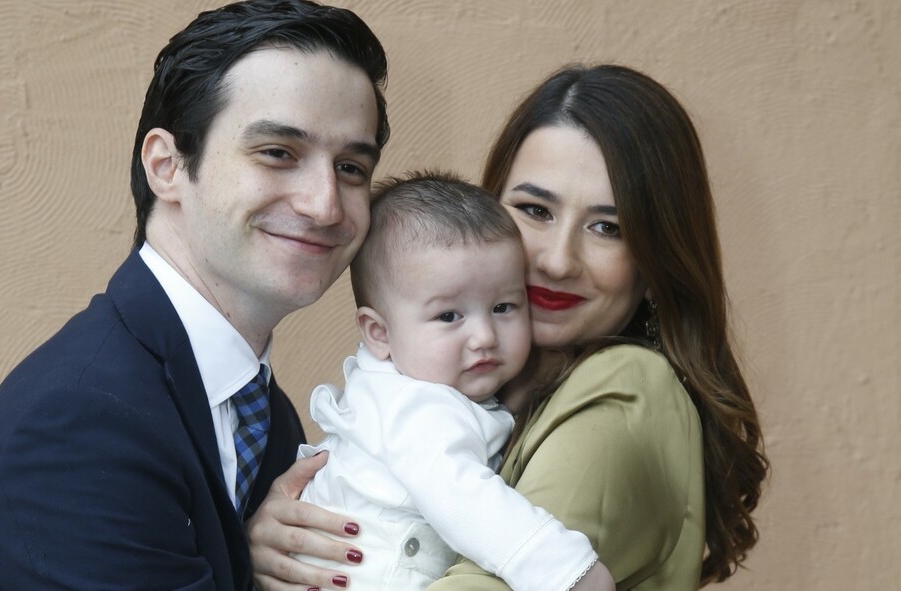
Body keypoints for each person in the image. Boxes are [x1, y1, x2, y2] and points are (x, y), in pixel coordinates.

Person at [249, 63, 768, 590]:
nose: (557, 260)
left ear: (656, 261)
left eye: (607, 227)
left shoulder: (625, 387)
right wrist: (281, 541)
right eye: (534, 210)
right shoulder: (469, 390)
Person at [0, 1, 388, 589]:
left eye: (352, 167)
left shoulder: (262, 410)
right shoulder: (81, 423)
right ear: (167, 165)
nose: (324, 204)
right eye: (278, 153)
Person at [293, 172, 610, 590]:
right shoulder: (417, 406)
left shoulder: (405, 383)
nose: (484, 336)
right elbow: (461, 495)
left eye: (503, 306)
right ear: (379, 333)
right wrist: (564, 569)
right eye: (449, 316)